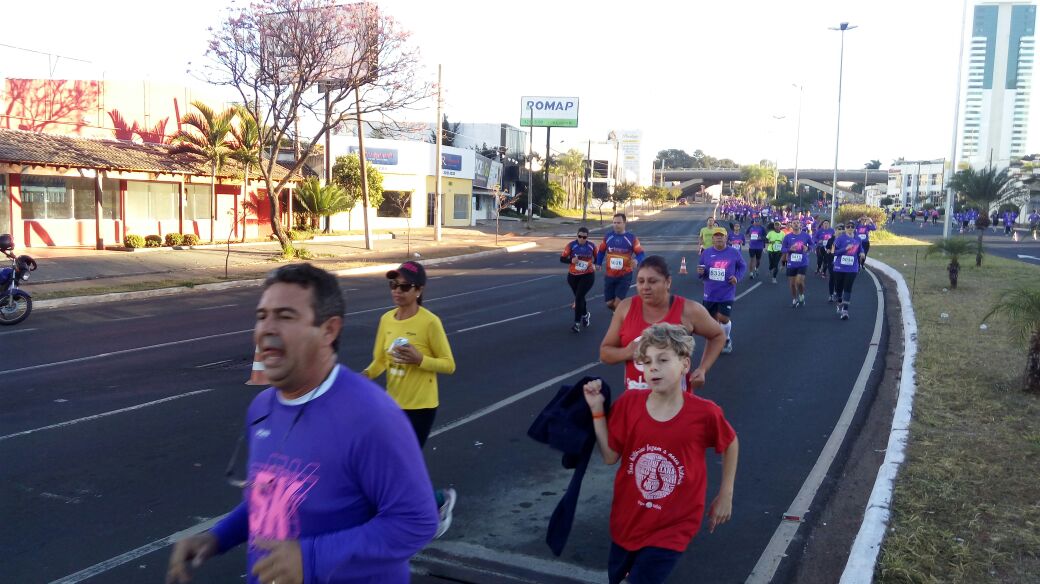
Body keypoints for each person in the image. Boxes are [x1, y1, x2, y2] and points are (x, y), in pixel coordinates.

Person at [166, 264, 438, 584]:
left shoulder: (372, 416)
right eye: (261, 316)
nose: (267, 328)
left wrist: (311, 559)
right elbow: (272, 497)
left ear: (329, 330)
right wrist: (218, 537)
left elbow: (416, 522)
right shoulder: (262, 408)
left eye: (285, 316)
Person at [583, 323, 739, 584]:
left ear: (685, 364)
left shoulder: (704, 413)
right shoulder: (629, 404)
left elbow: (731, 442)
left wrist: (726, 494)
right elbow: (610, 457)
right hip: (627, 520)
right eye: (646, 362)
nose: (653, 367)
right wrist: (597, 411)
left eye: (663, 360)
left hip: (674, 526)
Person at [362, 261, 458, 538]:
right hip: (392, 406)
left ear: (419, 290)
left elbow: (449, 364)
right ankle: (422, 505)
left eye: (404, 287)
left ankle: (438, 502)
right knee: (388, 465)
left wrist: (420, 359)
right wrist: (362, 377)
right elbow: (380, 360)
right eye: (393, 285)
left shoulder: (429, 322)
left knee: (401, 466)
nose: (397, 291)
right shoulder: (386, 320)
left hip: (421, 408)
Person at [600, 256, 725, 392]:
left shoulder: (688, 310)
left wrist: (703, 369)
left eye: (652, 281)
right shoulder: (625, 308)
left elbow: (718, 335)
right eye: (641, 281)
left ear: (668, 282)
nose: (645, 287)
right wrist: (627, 352)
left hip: (676, 401)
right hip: (636, 400)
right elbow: (605, 353)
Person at [697, 231, 746, 354]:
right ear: (713, 239)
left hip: (727, 292)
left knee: (723, 318)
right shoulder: (706, 253)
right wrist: (700, 272)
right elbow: (701, 268)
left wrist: (737, 277)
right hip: (710, 293)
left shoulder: (734, 252)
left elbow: (742, 266)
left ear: (726, 238)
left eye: (721, 236)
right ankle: (718, 339)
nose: (719, 238)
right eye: (716, 236)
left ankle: (727, 339)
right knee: (712, 321)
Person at [596, 213, 646, 312]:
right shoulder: (608, 237)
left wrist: (636, 260)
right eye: (614, 223)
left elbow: (641, 253)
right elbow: (601, 251)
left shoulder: (631, 238)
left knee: (617, 303)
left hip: (625, 275)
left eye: (618, 223)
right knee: (609, 303)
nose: (616, 225)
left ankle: (619, 317)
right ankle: (621, 313)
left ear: (624, 223)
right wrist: (598, 263)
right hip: (610, 275)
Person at [561, 227, 597, 333]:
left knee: (578, 298)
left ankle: (576, 324)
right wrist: (571, 260)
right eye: (579, 236)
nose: (581, 239)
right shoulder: (571, 245)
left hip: (587, 275)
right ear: (577, 236)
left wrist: (595, 264)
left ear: (587, 237)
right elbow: (562, 258)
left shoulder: (592, 246)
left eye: (584, 237)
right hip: (573, 276)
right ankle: (585, 315)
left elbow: (598, 257)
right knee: (579, 298)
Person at [828, 222, 867, 320]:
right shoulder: (839, 239)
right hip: (839, 268)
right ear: (845, 228)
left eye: (852, 226)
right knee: (839, 289)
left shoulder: (858, 239)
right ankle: (839, 299)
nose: (850, 228)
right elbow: (833, 252)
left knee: (848, 288)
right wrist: (845, 249)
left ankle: (845, 311)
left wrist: (862, 253)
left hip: (852, 268)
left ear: (854, 228)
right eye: (848, 226)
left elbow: (860, 249)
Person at [781, 218, 814, 307]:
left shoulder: (806, 235)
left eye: (797, 223)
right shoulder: (787, 237)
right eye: (794, 223)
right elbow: (782, 249)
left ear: (800, 225)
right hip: (791, 263)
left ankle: (801, 295)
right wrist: (790, 249)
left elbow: (812, 245)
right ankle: (794, 299)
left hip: (803, 262)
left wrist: (808, 248)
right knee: (792, 284)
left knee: (799, 281)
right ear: (791, 225)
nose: (796, 224)